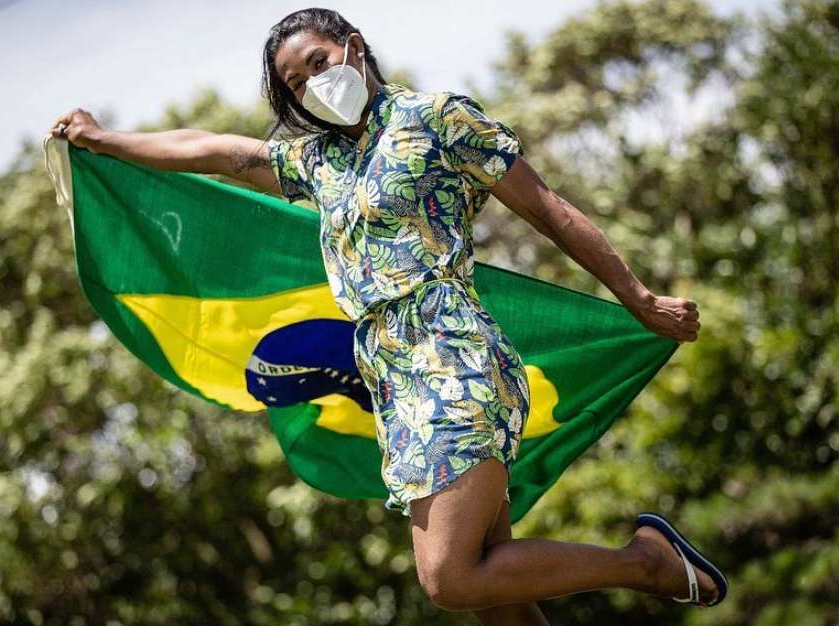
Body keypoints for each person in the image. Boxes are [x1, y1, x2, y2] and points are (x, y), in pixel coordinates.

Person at [50, 7, 726, 623]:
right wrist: (106, 141)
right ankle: (639, 563)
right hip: (394, 381)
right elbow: (218, 152)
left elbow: (547, 208)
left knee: (450, 578)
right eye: (294, 83)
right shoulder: (317, 163)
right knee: (499, 602)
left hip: (449, 353)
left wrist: (636, 295)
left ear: (352, 47)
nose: (312, 84)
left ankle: (644, 562)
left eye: (318, 62)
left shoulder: (437, 118)